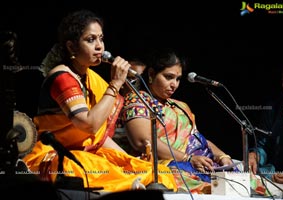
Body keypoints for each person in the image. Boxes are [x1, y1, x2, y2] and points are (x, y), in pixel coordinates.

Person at [22, 10, 177, 192]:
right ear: (71, 47)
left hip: (90, 153)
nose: (100, 47)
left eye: (101, 39)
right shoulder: (62, 78)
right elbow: (89, 125)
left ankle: (132, 184)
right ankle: (130, 187)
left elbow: (98, 139)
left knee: (157, 171)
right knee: (81, 166)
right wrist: (116, 84)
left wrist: (128, 159)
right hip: (56, 157)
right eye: (90, 40)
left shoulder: (90, 78)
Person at [121, 48, 237, 194]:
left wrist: (222, 156)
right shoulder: (138, 100)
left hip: (202, 163)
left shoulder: (180, 106)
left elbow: (196, 138)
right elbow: (143, 141)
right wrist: (188, 159)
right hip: (166, 167)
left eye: (178, 79)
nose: (174, 84)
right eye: (168, 77)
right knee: (204, 187)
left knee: (240, 179)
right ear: (151, 74)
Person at [249, 54, 283, 188]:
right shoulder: (274, 108)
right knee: (240, 174)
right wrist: (254, 155)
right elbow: (263, 144)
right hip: (276, 173)